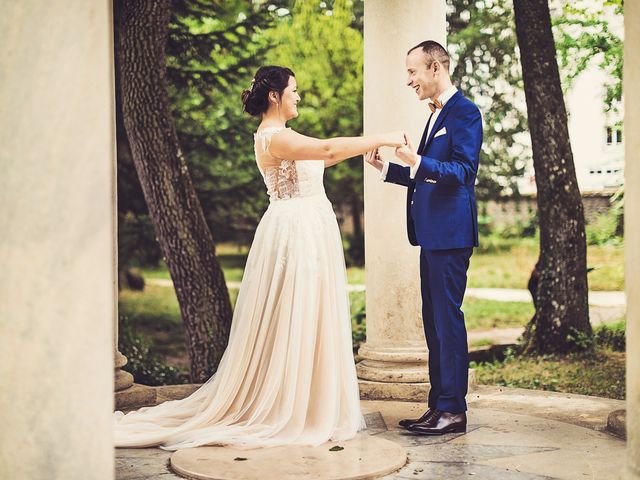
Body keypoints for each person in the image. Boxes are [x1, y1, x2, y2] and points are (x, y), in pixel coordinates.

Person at [113, 65, 405, 450]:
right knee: (294, 312)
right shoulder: (273, 137)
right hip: (295, 232)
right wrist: (382, 137)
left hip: (308, 226)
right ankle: (287, 405)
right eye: (294, 90)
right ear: (275, 96)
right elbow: (327, 148)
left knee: (311, 312)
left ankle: (308, 402)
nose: (298, 96)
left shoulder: (285, 137)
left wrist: (366, 148)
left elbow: (321, 158)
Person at [366, 40, 482, 436]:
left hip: (451, 235)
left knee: (447, 321)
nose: (409, 80)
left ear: (435, 68)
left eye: (413, 72)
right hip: (432, 235)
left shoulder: (465, 112)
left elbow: (463, 171)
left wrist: (416, 160)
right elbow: (427, 176)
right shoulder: (435, 115)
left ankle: (453, 410)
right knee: (433, 322)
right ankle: (439, 406)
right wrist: (388, 170)